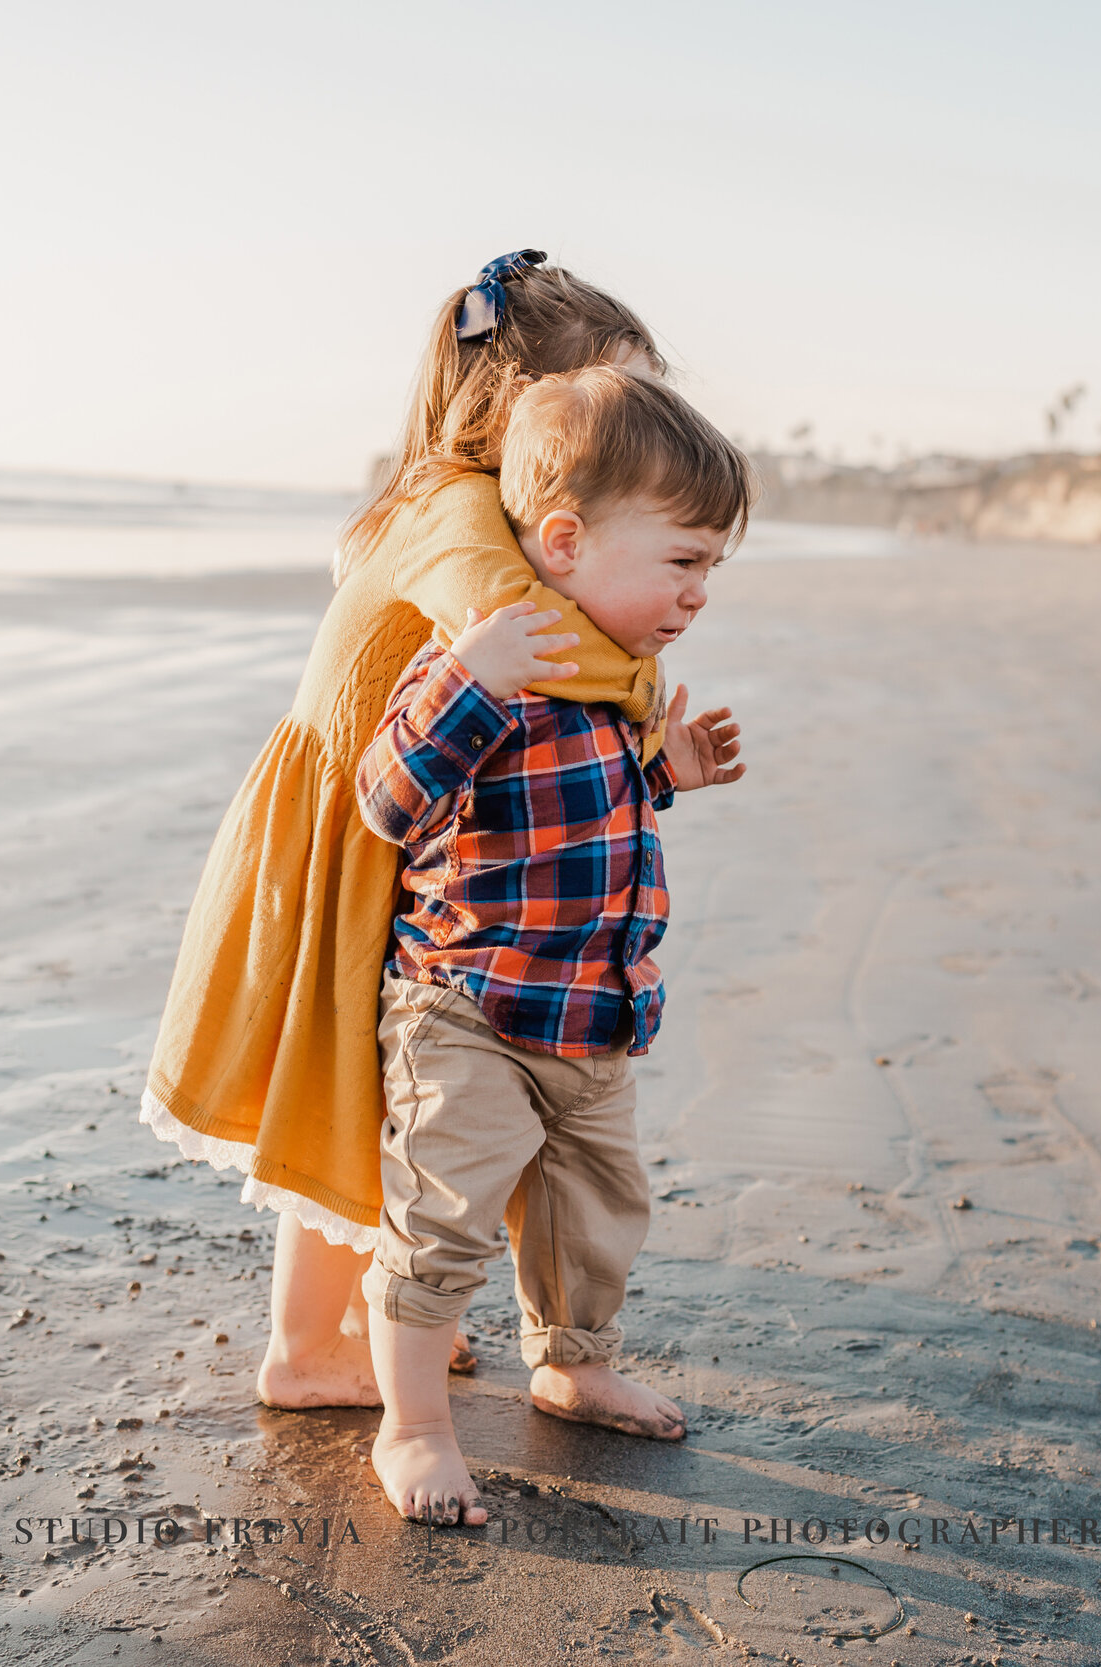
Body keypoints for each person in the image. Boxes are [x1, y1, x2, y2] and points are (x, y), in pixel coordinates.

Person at [141, 252, 673, 1408]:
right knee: (348, 1094)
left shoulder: (428, 493)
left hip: (360, 810)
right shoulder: (458, 511)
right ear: (524, 410)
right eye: (617, 403)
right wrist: (638, 688)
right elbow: (520, 624)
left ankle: (362, 1322)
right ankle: (306, 1346)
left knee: (370, 1090)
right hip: (353, 826)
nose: (640, 430)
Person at [352, 365, 751, 1525]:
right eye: (682, 561)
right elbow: (387, 797)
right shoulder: (492, 657)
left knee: (595, 1206)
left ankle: (570, 1359)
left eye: (710, 569)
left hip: (592, 1012)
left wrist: (664, 771)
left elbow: (577, 815)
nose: (698, 594)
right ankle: (414, 1424)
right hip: (469, 1008)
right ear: (566, 540)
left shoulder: (616, 683)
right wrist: (471, 683)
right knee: (441, 1220)